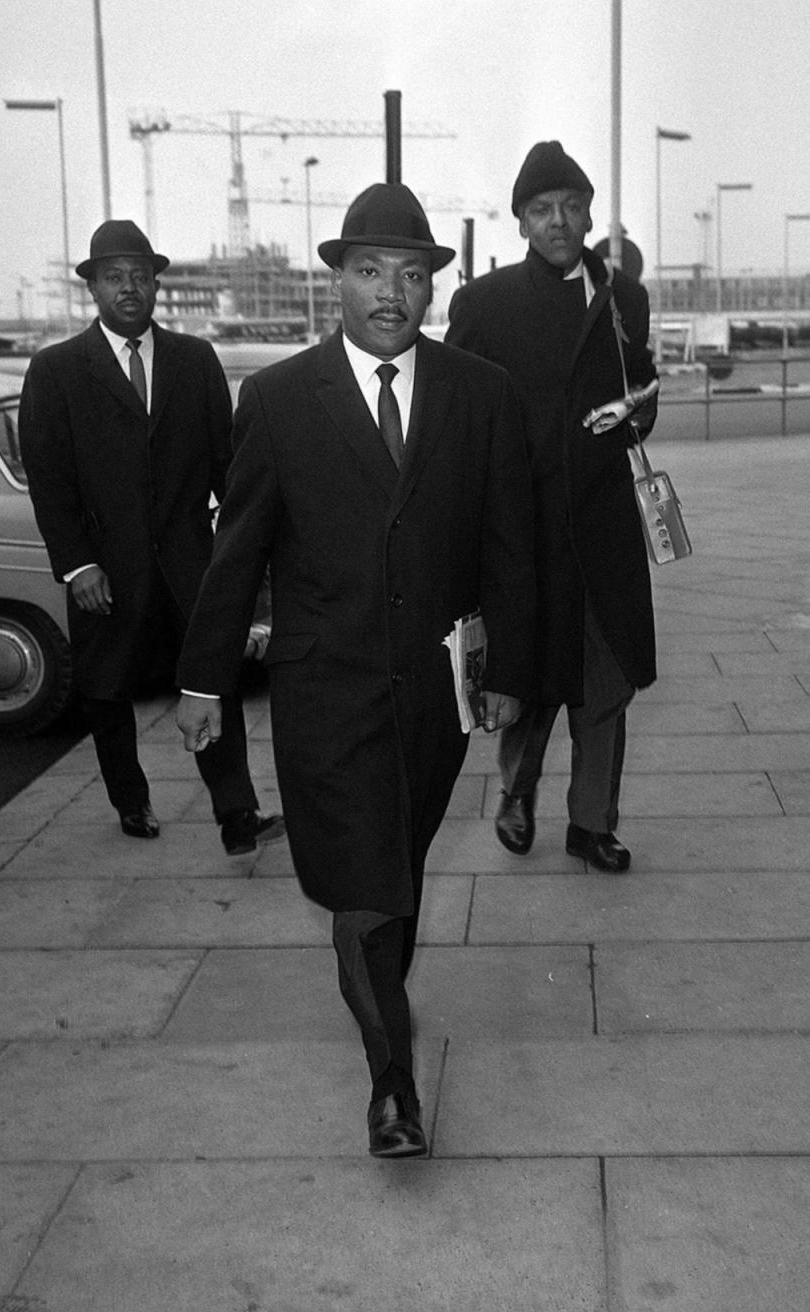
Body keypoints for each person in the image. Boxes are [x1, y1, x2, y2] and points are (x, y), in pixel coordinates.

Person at [175, 184, 535, 1157]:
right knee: (364, 878)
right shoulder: (283, 399)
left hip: (435, 696)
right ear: (337, 279)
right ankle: (392, 1084)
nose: (393, 291)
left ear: (432, 290)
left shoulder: (480, 394)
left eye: (412, 274)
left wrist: (514, 672)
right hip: (323, 690)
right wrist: (204, 678)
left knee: (397, 873)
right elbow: (239, 549)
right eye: (372, 271)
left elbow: (510, 548)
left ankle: (384, 1025)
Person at [19, 219, 283, 854]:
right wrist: (77, 566)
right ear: (93, 289)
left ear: (157, 284)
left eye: (140, 276)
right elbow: (49, 481)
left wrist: (245, 551)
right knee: (106, 689)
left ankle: (236, 813)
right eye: (115, 278)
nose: (129, 289)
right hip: (104, 569)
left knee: (212, 678)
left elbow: (229, 464)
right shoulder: (55, 371)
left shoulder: (195, 361)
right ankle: (130, 801)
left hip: (190, 561)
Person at [446, 140, 658, 874]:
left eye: (571, 206)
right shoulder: (485, 303)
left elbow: (647, 385)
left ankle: (592, 824)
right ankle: (516, 792)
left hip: (603, 527)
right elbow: (460, 415)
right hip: (526, 532)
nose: (559, 221)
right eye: (542, 210)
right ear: (522, 222)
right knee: (531, 686)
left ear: (590, 211)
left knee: (607, 682)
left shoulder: (625, 297)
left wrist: (631, 418)